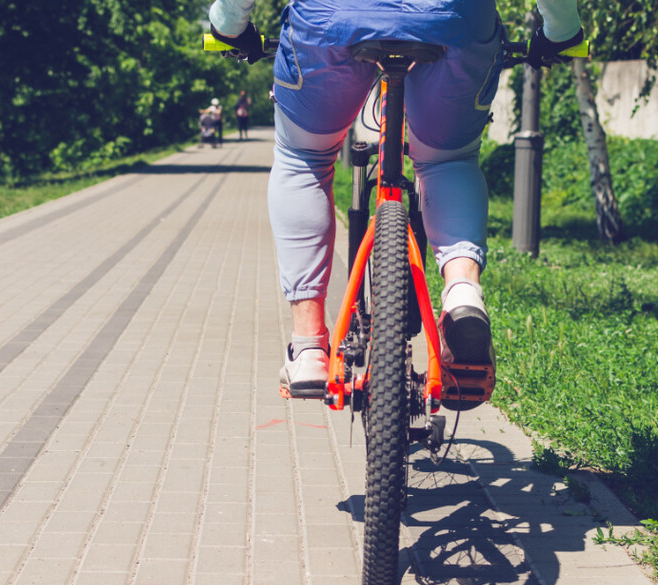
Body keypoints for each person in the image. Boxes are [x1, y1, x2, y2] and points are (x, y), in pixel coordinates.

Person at [208, 0, 583, 406]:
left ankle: (310, 349)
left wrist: (230, 25)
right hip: (454, 19)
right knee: (447, 159)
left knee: (305, 158)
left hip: (332, 18)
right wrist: (561, 30)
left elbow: (233, 16)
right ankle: (462, 293)